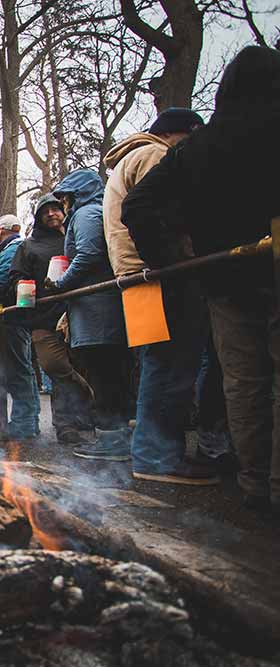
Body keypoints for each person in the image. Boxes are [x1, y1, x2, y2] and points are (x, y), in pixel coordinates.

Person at [123, 46, 280, 507]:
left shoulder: (199, 148)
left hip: (222, 279)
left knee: (244, 380)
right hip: (249, 274)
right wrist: (170, 263)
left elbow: (140, 208)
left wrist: (174, 256)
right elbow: (138, 208)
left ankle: (255, 482)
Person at [96, 107, 214, 477]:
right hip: (157, 274)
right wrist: (175, 257)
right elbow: (163, 213)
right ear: (176, 134)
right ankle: (158, 457)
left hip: (136, 276)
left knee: (158, 364)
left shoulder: (129, 160)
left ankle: (152, 452)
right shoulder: (154, 155)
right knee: (170, 366)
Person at [48, 170, 132, 457]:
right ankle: (116, 436)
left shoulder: (86, 214)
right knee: (108, 374)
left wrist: (61, 283)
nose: (63, 205)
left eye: (65, 198)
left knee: (103, 374)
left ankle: (112, 442)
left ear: (77, 194)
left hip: (97, 312)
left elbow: (87, 254)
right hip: (99, 310)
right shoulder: (93, 212)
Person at [11, 194, 93, 447]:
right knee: (56, 367)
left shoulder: (75, 236)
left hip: (79, 314)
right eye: (45, 211)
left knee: (80, 367)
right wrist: (26, 292)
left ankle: (69, 424)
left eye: (55, 209)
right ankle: (86, 400)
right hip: (44, 319)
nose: (51, 214)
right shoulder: (29, 246)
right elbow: (17, 276)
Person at [0, 214, 40, 441]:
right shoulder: (16, 248)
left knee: (18, 370)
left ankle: (23, 423)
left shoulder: (12, 249)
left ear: (3, 230)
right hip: (18, 317)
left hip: (13, 318)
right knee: (22, 368)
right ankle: (28, 421)